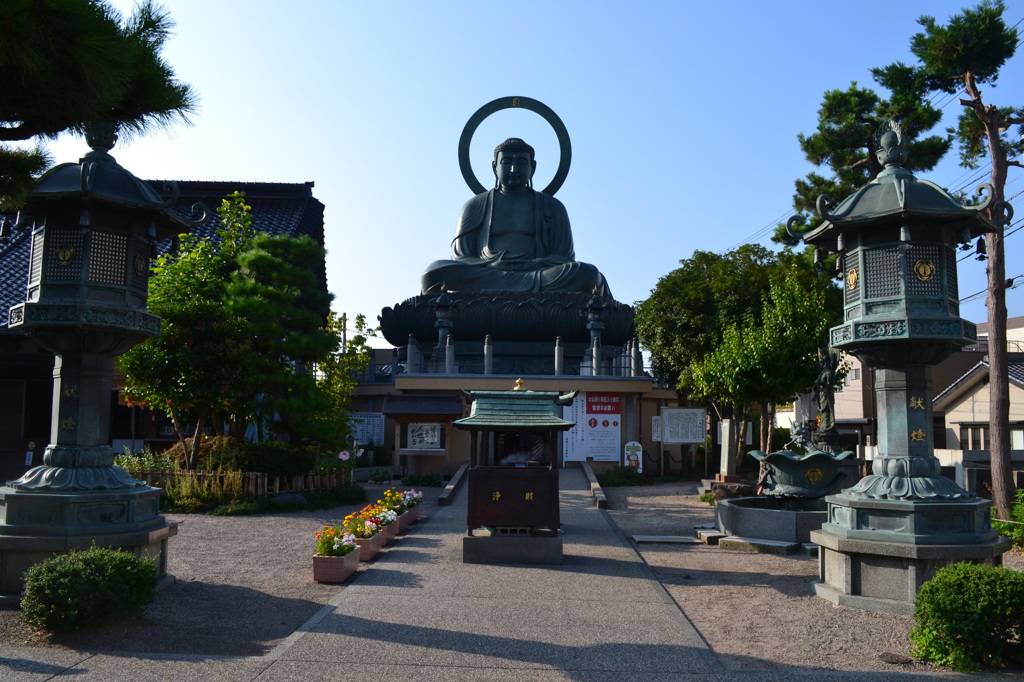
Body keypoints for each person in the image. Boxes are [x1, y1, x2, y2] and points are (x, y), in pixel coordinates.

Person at [421, 138, 611, 297]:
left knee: (587, 274)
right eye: (506, 162)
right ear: (494, 167)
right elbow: (461, 257)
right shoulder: (475, 206)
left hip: (538, 275)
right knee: (435, 271)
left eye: (521, 162)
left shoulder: (553, 207)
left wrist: (534, 264)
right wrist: (491, 263)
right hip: (488, 274)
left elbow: (564, 257)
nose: (513, 169)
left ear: (533, 167)